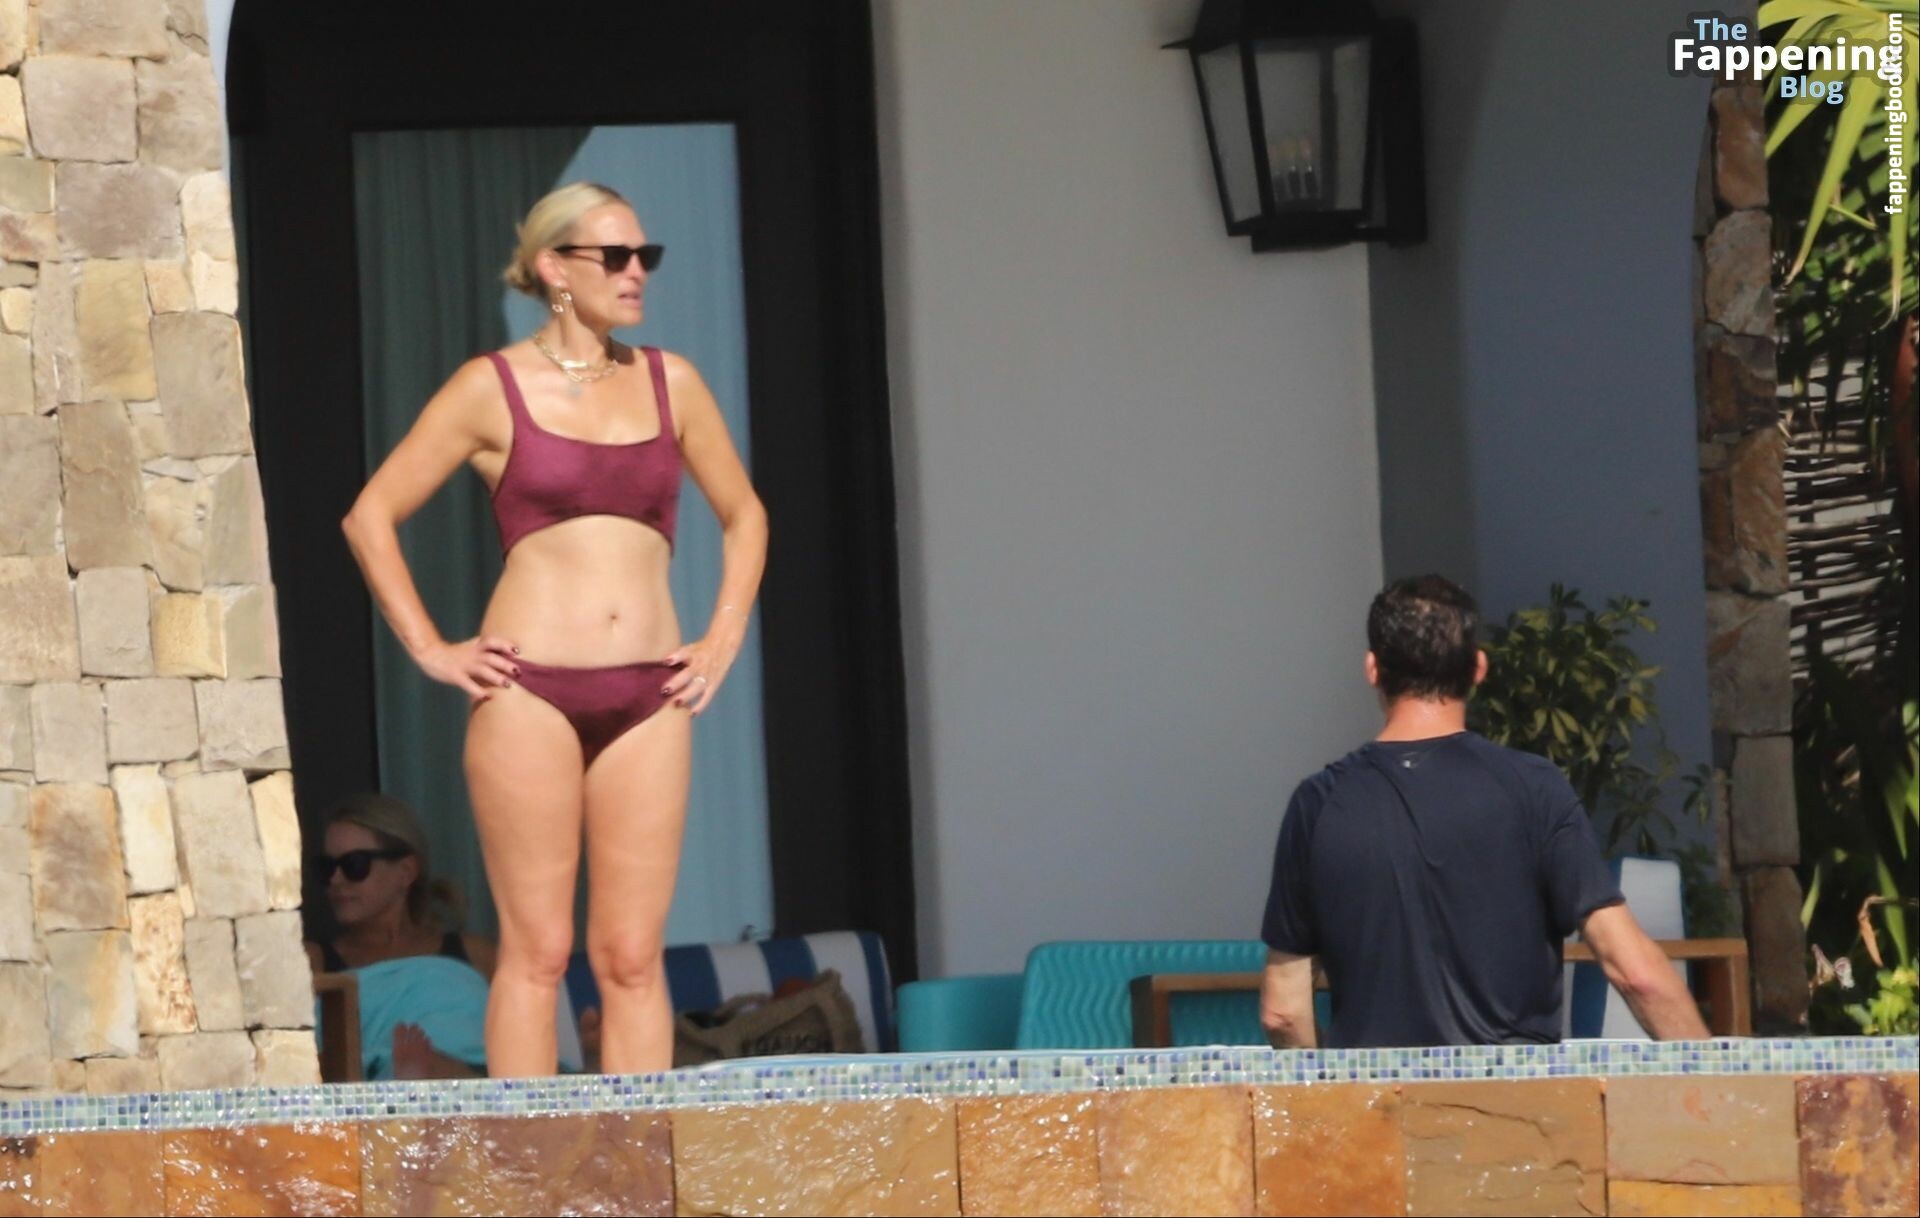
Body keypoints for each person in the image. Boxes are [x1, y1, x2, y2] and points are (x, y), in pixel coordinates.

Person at [340, 181, 768, 1076]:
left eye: (646, 255)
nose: (636, 271)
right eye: (615, 256)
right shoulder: (489, 388)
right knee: (536, 954)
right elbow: (370, 516)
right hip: (527, 692)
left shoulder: (672, 382)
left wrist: (724, 636)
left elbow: (746, 515)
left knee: (632, 957)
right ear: (553, 268)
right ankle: (527, 1160)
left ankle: (636, 1159)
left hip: (651, 691)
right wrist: (431, 648)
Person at [1258, 574, 1709, 1048]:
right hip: (1514, 1091)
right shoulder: (1534, 788)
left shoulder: (1318, 803)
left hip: (1376, 1094)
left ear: (1373, 669)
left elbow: (1283, 1012)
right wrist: (1720, 1081)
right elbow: (1637, 974)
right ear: (1478, 667)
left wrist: (1330, 1088)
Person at [303, 792, 496, 1079]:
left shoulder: (477, 954)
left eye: (355, 865)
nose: (336, 880)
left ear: (406, 871)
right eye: (326, 868)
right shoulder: (312, 962)